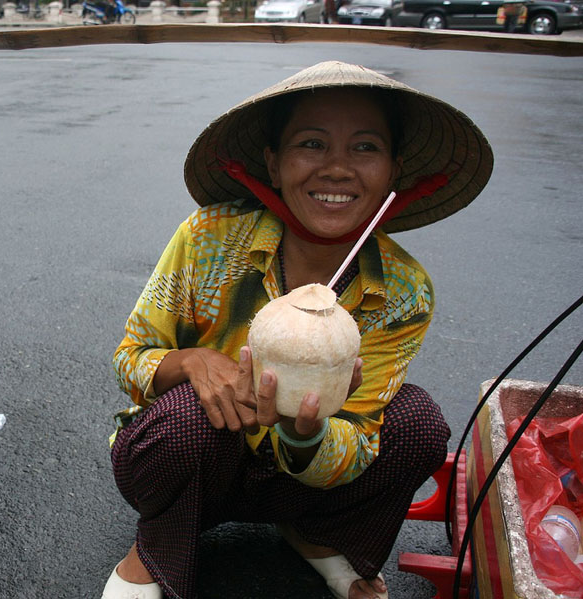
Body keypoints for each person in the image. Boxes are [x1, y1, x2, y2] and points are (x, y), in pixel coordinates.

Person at [103, 61, 493, 599]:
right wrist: (191, 363)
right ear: (273, 162)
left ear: (394, 171)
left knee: (417, 424)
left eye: (365, 148)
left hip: (306, 479)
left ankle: (314, 533)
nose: (337, 169)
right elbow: (130, 357)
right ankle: (155, 548)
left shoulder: (403, 290)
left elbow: (358, 439)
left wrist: (304, 435)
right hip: (195, 467)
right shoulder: (209, 237)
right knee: (189, 413)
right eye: (311, 144)